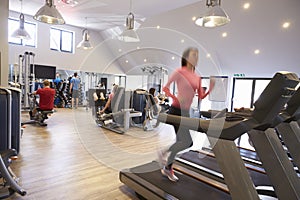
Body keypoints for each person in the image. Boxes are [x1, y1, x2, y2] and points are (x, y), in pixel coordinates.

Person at [159, 47, 215, 182]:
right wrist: (174, 97)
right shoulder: (179, 72)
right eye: (193, 55)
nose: (196, 58)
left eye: (197, 56)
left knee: (185, 142)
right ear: (186, 58)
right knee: (186, 142)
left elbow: (200, 96)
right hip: (176, 111)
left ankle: (166, 158)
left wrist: (210, 89)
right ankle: (167, 166)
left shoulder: (197, 77)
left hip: (185, 113)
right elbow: (165, 88)